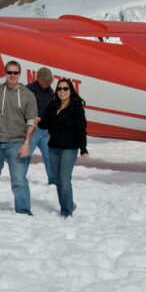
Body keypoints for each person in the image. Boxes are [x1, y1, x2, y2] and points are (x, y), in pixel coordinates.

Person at [0, 60, 38, 215]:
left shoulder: (28, 96)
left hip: (16, 143)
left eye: (15, 73)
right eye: (9, 72)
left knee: (18, 180)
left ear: (19, 74)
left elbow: (31, 123)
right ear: (5, 74)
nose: (12, 75)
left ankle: (23, 210)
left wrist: (27, 144)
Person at [37, 78, 89, 218]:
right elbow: (45, 125)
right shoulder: (53, 106)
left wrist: (83, 149)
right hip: (53, 147)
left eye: (65, 89)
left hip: (69, 148)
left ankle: (66, 213)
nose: (62, 91)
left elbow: (81, 130)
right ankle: (69, 204)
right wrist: (39, 120)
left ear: (71, 90)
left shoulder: (76, 109)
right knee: (58, 181)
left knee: (65, 181)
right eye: (59, 89)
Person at [26, 67, 55, 185]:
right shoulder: (28, 90)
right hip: (33, 128)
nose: (48, 83)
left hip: (45, 130)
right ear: (38, 78)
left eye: (50, 80)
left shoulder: (50, 91)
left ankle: (53, 181)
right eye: (45, 80)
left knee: (49, 157)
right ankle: (19, 178)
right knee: (26, 154)